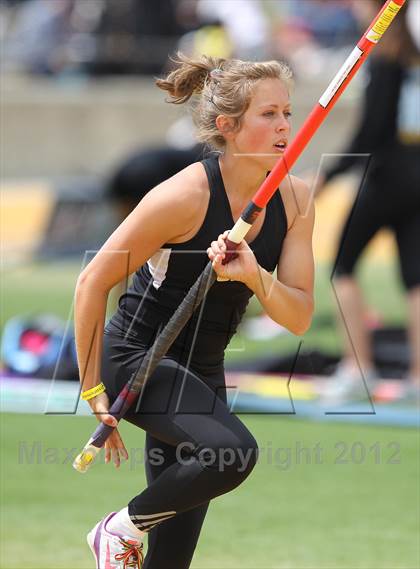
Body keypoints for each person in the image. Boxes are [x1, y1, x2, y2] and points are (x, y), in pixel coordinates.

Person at [74, 52, 314, 569]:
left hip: (202, 372)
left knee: (171, 559)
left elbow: (298, 316)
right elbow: (92, 282)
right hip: (138, 357)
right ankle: (118, 528)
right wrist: (93, 389)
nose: (285, 126)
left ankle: (128, 532)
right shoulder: (184, 195)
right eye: (267, 114)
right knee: (232, 453)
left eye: (287, 112)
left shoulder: (296, 200)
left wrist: (254, 275)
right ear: (228, 126)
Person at [316, 0, 420, 403]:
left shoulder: (386, 58)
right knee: (415, 277)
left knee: (343, 266)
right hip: (416, 175)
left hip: (387, 177)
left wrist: (328, 175)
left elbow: (371, 134)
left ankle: (356, 369)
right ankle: (416, 377)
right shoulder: (411, 55)